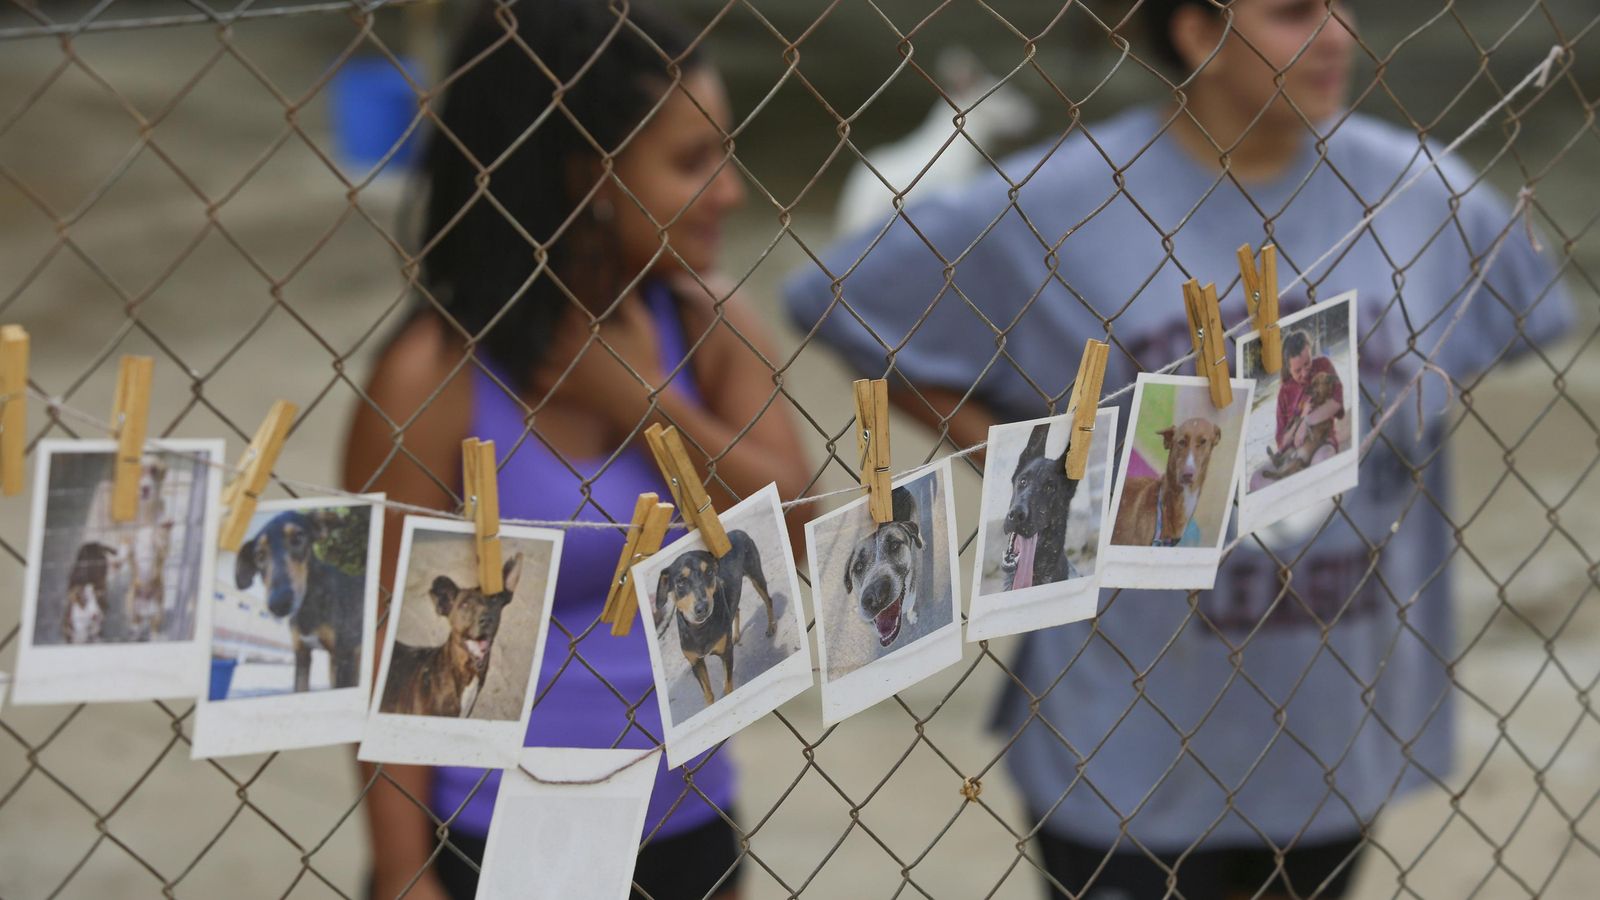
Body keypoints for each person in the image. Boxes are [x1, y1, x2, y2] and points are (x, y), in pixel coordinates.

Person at [784, 0, 1571, 897]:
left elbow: (1518, 317)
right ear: (1196, 31)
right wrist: (1042, 472)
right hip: (1126, 732)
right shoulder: (1059, 201)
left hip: (1334, 724)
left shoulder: (1424, 193)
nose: (1337, 35)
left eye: (1342, 6)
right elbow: (839, 303)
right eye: (1291, 13)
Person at [343, 3, 808, 899]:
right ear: (587, 176)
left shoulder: (706, 325)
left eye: (726, 153)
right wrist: (403, 870)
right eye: (690, 162)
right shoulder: (434, 377)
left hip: (687, 822)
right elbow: (384, 655)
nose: (732, 192)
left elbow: (794, 517)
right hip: (491, 829)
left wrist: (646, 405)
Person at [1255, 328, 1346, 489]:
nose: (1305, 372)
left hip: (1321, 443)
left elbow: (1337, 402)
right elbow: (1282, 442)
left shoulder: (1323, 365)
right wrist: (1297, 428)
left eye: (1308, 363)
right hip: (1292, 452)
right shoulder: (1285, 391)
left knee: (1321, 463)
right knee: (1257, 480)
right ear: (1288, 368)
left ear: (1311, 353)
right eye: (1297, 370)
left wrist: (1306, 421)